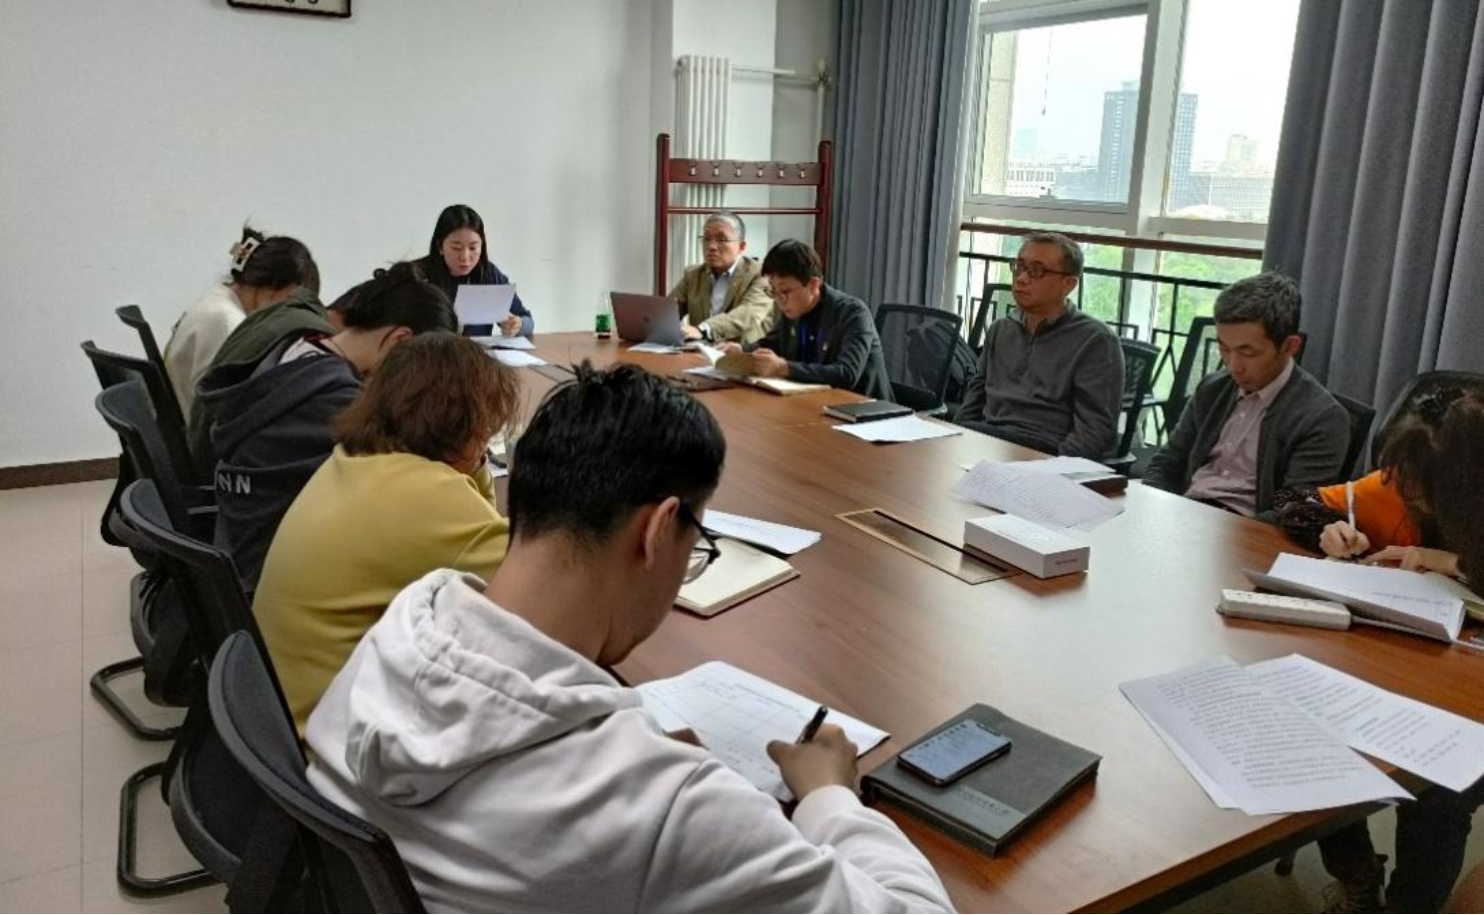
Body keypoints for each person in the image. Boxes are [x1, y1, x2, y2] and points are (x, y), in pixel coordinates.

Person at [305, 363, 954, 913]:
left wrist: (643, 754)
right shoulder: (662, 806)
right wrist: (830, 798)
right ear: (659, 529)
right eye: (695, 546)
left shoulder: (394, 636)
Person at [254, 333, 520, 733]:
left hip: (277, 720)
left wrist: (473, 459)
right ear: (461, 422)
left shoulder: (357, 458)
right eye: (484, 425)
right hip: (325, 743)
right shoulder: (426, 496)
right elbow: (534, 584)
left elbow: (478, 531)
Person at [1282, 386, 1484, 914]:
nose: (1410, 498)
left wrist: (1452, 562)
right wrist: (1329, 529)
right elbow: (1290, 503)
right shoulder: (1406, 482)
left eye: (1424, 492)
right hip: (1422, 663)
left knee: (1438, 794)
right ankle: (1356, 869)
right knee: (1320, 723)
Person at [197, 262, 456, 595]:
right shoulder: (339, 403)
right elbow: (415, 487)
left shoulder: (297, 351)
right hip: (270, 581)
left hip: (238, 551)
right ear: (399, 341)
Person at [1142, 271, 1349, 520]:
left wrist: (1220, 531)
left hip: (1250, 528)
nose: (1233, 366)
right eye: (1224, 348)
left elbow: (1294, 509)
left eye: (1248, 353)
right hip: (1187, 513)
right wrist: (1153, 510)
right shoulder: (1213, 389)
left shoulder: (1321, 418)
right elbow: (1167, 463)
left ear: (1289, 347)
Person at [954, 232, 1124, 458]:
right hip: (989, 443)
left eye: (1037, 271)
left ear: (1068, 284)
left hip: (1044, 452)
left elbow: (1094, 432)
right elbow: (973, 400)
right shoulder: (1000, 329)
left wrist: (1051, 469)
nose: (1022, 279)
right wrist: (958, 442)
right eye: (1019, 267)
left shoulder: (1096, 341)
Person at [164, 227, 319, 415]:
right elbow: (223, 411)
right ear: (274, 286)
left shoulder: (219, 298)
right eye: (292, 300)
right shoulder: (228, 322)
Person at [718, 239, 893, 400]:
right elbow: (773, 343)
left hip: (864, 410)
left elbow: (846, 374)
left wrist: (783, 368)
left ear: (813, 285)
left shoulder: (852, 313)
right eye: (773, 291)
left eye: (785, 291)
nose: (779, 300)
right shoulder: (793, 309)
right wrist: (742, 350)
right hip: (817, 401)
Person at [415, 203, 533, 337]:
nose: (465, 257)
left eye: (473, 248)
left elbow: (528, 321)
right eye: (456, 248)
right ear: (440, 247)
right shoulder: (417, 276)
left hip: (477, 350)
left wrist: (517, 325)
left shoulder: (489, 274)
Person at [669, 210, 776, 345]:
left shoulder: (760, 274)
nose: (711, 246)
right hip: (697, 352)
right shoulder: (693, 274)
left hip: (741, 354)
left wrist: (704, 330)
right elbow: (670, 309)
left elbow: (748, 314)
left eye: (722, 240)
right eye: (707, 239)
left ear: (741, 246)